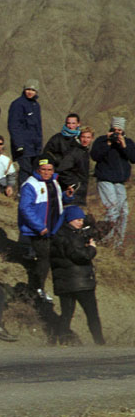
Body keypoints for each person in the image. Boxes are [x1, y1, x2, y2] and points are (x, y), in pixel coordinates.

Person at [18, 155, 74, 302]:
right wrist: (39, 227)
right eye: (43, 169)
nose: (47, 172)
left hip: (54, 227)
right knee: (44, 258)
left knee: (50, 258)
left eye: (49, 169)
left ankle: (39, 288)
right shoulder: (30, 185)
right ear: (37, 169)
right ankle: (36, 290)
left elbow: (56, 200)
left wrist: (66, 196)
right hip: (39, 230)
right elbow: (25, 208)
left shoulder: (53, 182)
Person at [50, 206, 105, 345]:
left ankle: (61, 341)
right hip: (80, 282)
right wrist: (92, 248)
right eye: (78, 220)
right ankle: (100, 343)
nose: (81, 222)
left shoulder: (58, 235)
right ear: (70, 220)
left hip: (64, 282)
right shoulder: (70, 236)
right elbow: (82, 256)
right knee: (92, 314)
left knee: (66, 314)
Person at [90, 117, 135, 248]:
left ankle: (117, 243)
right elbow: (95, 156)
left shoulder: (128, 142)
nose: (116, 133)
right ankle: (106, 240)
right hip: (105, 179)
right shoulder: (102, 140)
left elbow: (133, 158)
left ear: (123, 130)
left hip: (120, 182)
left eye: (119, 130)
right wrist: (108, 143)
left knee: (124, 212)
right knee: (112, 210)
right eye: (114, 130)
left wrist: (124, 145)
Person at [8, 80, 43, 187]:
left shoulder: (36, 105)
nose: (30, 92)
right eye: (28, 89)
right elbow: (14, 126)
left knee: (34, 172)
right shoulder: (18, 104)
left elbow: (38, 127)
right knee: (25, 171)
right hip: (23, 146)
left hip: (34, 146)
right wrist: (19, 145)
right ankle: (23, 195)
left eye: (33, 90)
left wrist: (39, 144)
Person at [56, 126, 93, 205]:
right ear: (79, 137)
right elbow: (62, 170)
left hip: (81, 190)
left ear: (91, 139)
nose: (85, 140)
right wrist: (75, 184)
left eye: (88, 137)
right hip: (73, 191)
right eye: (83, 137)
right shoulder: (74, 151)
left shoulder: (84, 151)